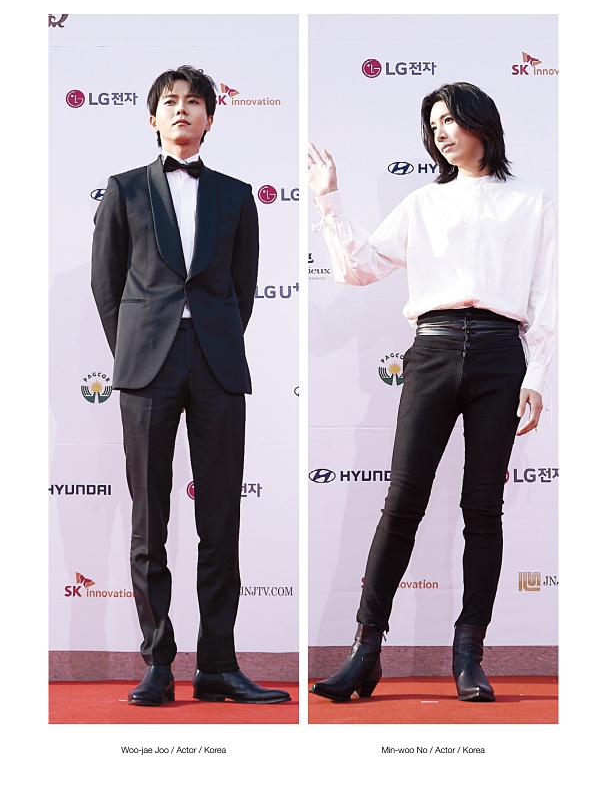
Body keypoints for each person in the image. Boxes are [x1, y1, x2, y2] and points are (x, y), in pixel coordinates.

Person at [307, 82, 556, 703]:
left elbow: (547, 296)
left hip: (501, 354)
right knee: (402, 502)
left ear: (482, 124)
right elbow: (359, 269)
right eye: (434, 123)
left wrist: (536, 376)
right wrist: (328, 200)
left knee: (483, 508)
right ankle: (365, 652)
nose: (441, 132)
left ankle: (468, 654)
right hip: (432, 349)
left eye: (451, 120)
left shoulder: (532, 202)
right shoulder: (422, 201)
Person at [92, 65, 290, 706]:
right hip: (146, 368)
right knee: (149, 518)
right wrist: (134, 348)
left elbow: (243, 287)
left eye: (194, 102)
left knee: (221, 518)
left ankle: (218, 666)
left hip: (215, 364)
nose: (182, 109)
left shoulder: (236, 195)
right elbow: (106, 285)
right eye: (171, 102)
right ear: (152, 117)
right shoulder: (123, 190)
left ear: (210, 118)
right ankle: (157, 662)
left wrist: (215, 340)